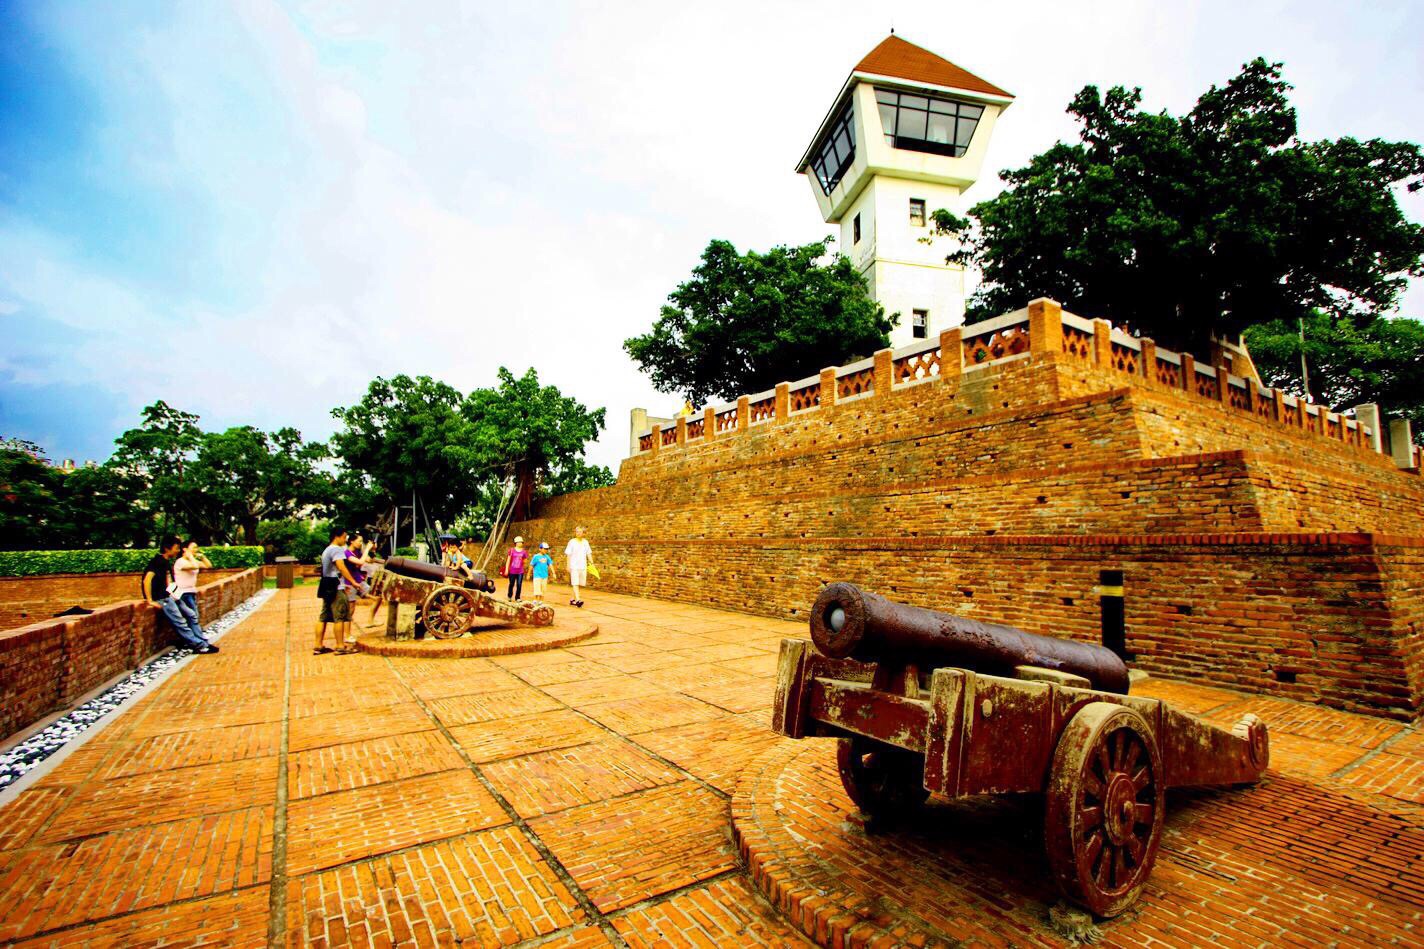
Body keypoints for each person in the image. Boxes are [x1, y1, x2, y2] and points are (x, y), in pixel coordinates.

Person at [142, 536, 216, 654]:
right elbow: (147, 579)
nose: (178, 551)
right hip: (162, 598)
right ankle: (199, 645)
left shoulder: (165, 561)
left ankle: (202, 641)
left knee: (191, 615)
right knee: (180, 622)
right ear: (167, 548)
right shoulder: (157, 562)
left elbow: (167, 581)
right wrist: (150, 600)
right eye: (176, 548)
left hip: (170, 595)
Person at [315, 526, 362, 655]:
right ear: (337, 536)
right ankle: (340, 646)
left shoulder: (327, 549)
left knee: (323, 617)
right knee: (340, 616)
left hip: (326, 585)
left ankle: (318, 645)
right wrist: (353, 582)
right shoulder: (337, 550)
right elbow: (341, 567)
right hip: (336, 587)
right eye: (344, 537)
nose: (345, 540)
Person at [172, 539, 212, 621]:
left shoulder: (193, 561)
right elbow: (195, 566)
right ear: (185, 549)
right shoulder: (180, 562)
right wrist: (190, 556)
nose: (196, 549)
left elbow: (208, 565)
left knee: (192, 616)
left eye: (196, 547)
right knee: (193, 616)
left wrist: (202, 557)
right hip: (183, 593)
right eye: (194, 547)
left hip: (191, 591)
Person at [564, 526, 593, 607]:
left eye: (580, 532)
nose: (578, 533)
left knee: (578, 584)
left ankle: (572, 599)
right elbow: (568, 554)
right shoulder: (572, 542)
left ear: (583, 533)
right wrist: (568, 565)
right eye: (577, 531)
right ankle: (578, 600)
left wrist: (592, 563)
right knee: (575, 583)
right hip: (574, 566)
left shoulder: (585, 542)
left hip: (583, 566)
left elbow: (589, 553)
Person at [503, 535, 530, 601]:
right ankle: (509, 596)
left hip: (520, 571)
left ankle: (517, 597)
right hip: (512, 571)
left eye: (521, 542)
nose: (521, 543)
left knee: (519, 584)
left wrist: (522, 560)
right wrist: (506, 569)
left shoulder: (524, 552)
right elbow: (508, 560)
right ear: (516, 543)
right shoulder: (511, 550)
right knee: (511, 584)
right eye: (519, 542)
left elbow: (525, 561)